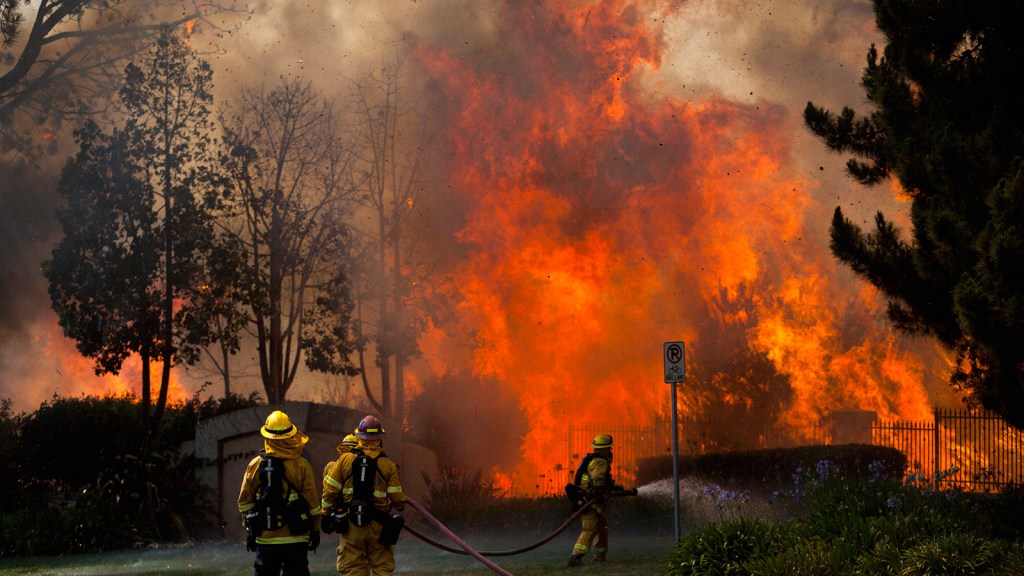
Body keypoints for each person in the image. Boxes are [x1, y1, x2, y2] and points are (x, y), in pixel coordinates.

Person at [238, 410, 322, 576]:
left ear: (268, 437)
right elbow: (312, 503)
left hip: (266, 537)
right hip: (297, 536)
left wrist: (249, 529)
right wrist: (315, 530)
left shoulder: (255, 464)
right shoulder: (302, 465)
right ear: (290, 436)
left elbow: (244, 503)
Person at [321, 415, 406, 576]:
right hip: (378, 526)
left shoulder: (345, 460)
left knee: (353, 568)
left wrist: (325, 515)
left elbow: (329, 490)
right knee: (382, 568)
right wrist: (400, 503)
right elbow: (397, 498)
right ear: (380, 439)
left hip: (352, 525)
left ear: (359, 437)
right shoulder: (388, 465)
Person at [567, 433, 624, 567]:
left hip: (590, 500)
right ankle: (576, 557)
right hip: (589, 501)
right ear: (604, 449)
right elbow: (598, 480)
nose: (610, 452)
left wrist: (612, 488)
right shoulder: (600, 461)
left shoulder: (592, 459)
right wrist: (602, 491)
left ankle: (599, 556)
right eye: (609, 448)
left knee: (601, 528)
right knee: (590, 528)